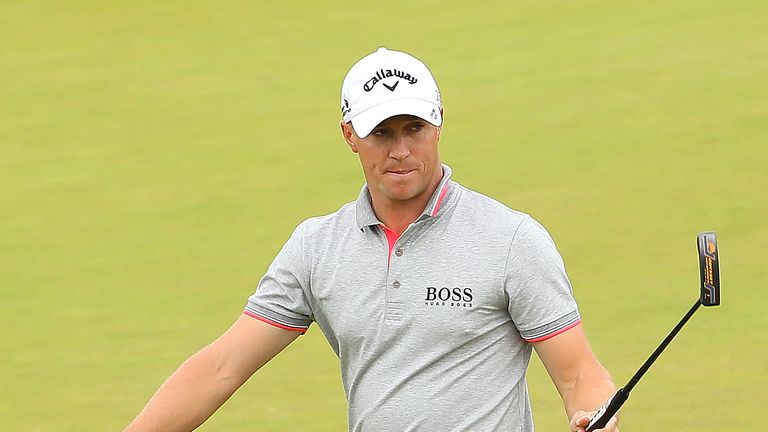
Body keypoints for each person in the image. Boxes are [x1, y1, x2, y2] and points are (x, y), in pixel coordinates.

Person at [124, 47, 619, 432]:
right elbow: (221, 367)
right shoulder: (317, 248)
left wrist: (595, 415)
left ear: (439, 121)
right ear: (349, 134)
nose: (401, 150)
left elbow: (579, 374)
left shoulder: (510, 239)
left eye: (414, 129)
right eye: (382, 133)